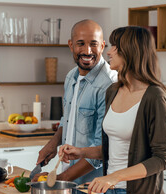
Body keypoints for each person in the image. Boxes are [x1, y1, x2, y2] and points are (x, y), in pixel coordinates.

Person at [59, 26, 166, 194]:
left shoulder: (154, 96)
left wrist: (115, 177)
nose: (109, 52)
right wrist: (81, 152)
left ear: (131, 52)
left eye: (115, 47)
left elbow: (163, 157)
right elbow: (112, 148)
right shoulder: (113, 91)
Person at [33, 19, 117, 184]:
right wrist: (53, 143)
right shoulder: (71, 76)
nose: (87, 51)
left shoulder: (109, 84)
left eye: (93, 44)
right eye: (80, 44)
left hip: (92, 185)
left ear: (102, 46)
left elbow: (102, 150)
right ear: (71, 45)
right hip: (70, 177)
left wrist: (61, 179)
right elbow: (68, 119)